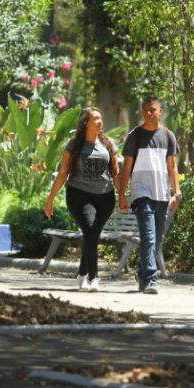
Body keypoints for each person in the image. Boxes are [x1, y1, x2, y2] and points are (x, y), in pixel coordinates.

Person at [44, 107, 118, 292]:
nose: (100, 122)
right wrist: (50, 199)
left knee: (91, 236)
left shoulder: (108, 144)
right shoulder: (74, 145)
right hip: (79, 194)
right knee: (91, 229)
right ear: (86, 122)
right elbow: (63, 173)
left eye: (100, 118)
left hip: (105, 197)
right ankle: (94, 277)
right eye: (95, 119)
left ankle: (81, 274)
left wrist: (122, 196)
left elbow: (115, 172)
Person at [118, 96, 181, 294]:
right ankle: (152, 280)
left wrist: (177, 192)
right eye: (145, 110)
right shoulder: (134, 136)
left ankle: (142, 273)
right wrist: (122, 194)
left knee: (156, 239)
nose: (148, 113)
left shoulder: (168, 136)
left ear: (160, 112)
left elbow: (172, 166)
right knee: (149, 235)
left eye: (152, 110)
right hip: (141, 192)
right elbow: (126, 167)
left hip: (162, 193)